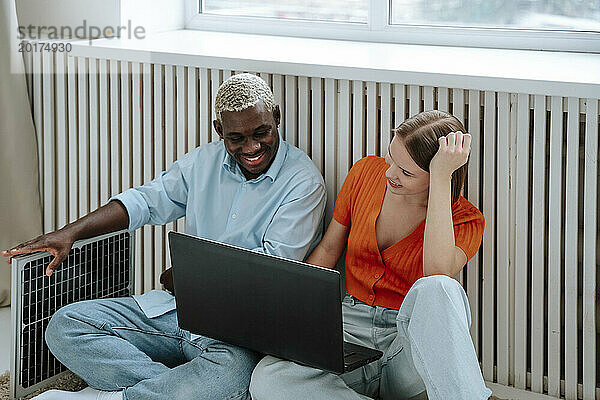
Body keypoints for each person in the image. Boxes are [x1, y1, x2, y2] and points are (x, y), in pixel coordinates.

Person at [2, 73, 326, 400]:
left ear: (277, 118)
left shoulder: (303, 181)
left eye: (262, 132)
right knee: (65, 326)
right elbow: (147, 200)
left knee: (232, 379)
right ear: (219, 131)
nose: (252, 147)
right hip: (176, 311)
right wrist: (71, 232)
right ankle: (172, 389)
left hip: (237, 334)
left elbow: (275, 267)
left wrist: (195, 278)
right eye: (236, 138)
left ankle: (119, 397)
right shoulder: (203, 162)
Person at [249, 110, 497, 400]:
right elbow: (329, 249)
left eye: (406, 172)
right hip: (348, 329)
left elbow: (437, 271)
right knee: (268, 378)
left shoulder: (465, 219)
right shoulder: (366, 173)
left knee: (441, 287)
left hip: (408, 344)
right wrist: (289, 308)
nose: (390, 173)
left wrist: (442, 178)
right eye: (392, 158)